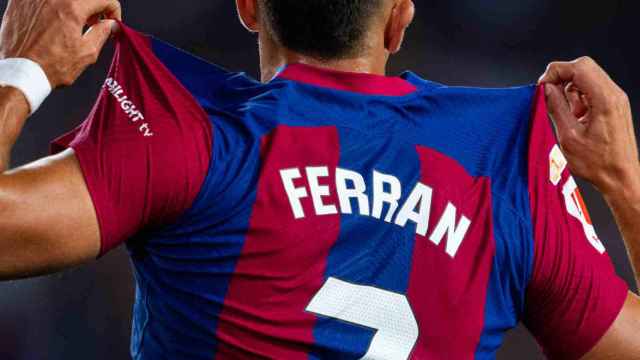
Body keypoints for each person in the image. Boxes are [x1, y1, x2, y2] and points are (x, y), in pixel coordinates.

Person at [0, 0, 638, 358]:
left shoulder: (191, 138)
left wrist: (22, 67)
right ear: (399, 19)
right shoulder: (500, 167)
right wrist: (623, 179)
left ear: (249, 9)